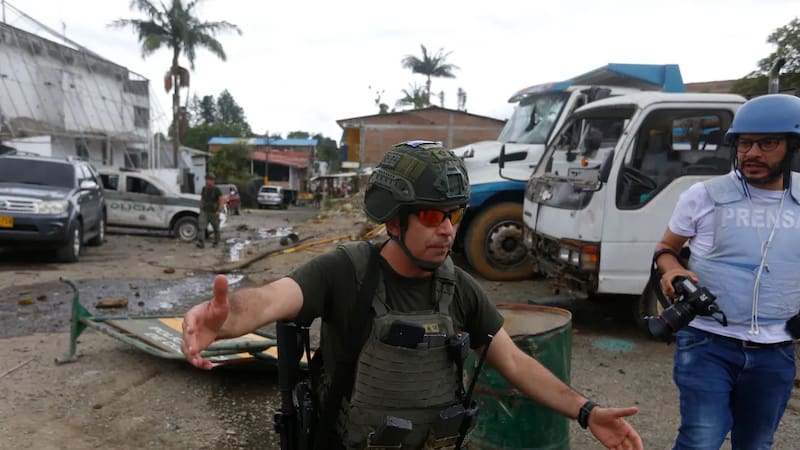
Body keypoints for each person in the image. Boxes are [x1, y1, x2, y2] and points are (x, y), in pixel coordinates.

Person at [182, 141, 642, 449]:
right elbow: (272, 299)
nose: (447, 230)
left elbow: (517, 364)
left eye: (454, 214)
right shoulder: (346, 271)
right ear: (394, 220)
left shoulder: (459, 288)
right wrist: (223, 318)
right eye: (431, 215)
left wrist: (587, 412)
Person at [653, 94, 800, 449]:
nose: (752, 153)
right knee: (701, 440)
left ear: (793, 147)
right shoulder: (703, 196)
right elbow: (666, 249)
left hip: (776, 349)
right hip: (707, 343)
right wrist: (673, 272)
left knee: (756, 443)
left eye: (767, 143)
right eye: (745, 143)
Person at [197, 172, 223, 248]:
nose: (209, 181)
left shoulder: (217, 189)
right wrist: (201, 206)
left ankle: (216, 242)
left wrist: (219, 211)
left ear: (213, 180)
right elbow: (202, 198)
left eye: (211, 180)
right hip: (204, 211)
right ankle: (201, 242)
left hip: (213, 212)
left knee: (216, 228)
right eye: (207, 179)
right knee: (201, 226)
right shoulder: (204, 189)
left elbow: (221, 200)